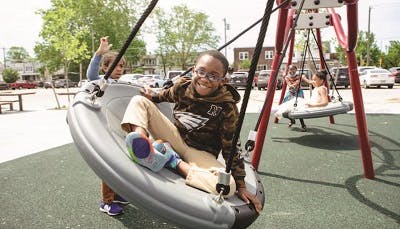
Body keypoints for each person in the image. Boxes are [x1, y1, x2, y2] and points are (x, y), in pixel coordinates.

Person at [121, 50, 262, 213]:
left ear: (223, 81)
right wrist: (152, 96)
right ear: (193, 70)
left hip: (200, 153)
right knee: (139, 101)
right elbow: (163, 96)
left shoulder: (226, 107)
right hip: (175, 138)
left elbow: (231, 147)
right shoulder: (182, 87)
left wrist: (241, 185)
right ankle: (141, 144)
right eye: (201, 71)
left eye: (213, 76)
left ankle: (172, 160)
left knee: (227, 186)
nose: (205, 78)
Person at [87, 36, 128, 216]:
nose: (120, 69)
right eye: (116, 66)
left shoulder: (121, 84)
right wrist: (99, 54)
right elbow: (91, 75)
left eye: (122, 66)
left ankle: (117, 193)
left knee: (122, 164)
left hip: (118, 129)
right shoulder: (102, 82)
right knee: (110, 165)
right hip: (105, 130)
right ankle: (106, 201)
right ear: (105, 67)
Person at [281, 65, 313, 132]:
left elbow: (300, 82)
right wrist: (291, 86)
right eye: (290, 69)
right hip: (291, 93)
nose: (292, 71)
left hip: (298, 92)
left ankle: (303, 125)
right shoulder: (287, 77)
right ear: (288, 70)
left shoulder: (299, 76)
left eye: (293, 69)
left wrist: (311, 81)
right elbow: (289, 84)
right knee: (285, 108)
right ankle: (292, 120)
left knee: (299, 108)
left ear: (296, 70)